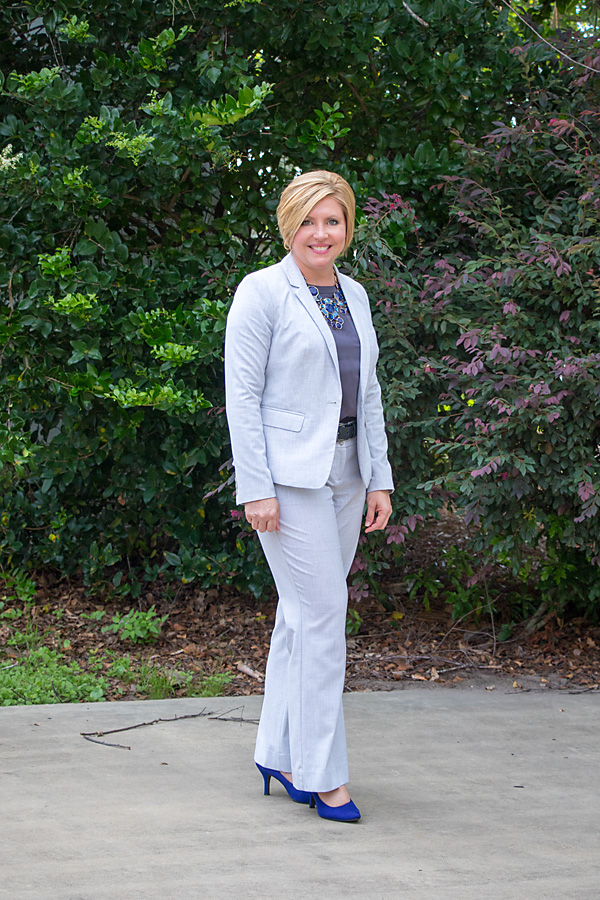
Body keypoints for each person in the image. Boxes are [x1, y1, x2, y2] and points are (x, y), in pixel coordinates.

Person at [224, 170, 393, 823]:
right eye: (309, 220)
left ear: (348, 228)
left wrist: (379, 476)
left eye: (334, 221)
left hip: (349, 472)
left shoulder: (354, 294)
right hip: (288, 480)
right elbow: (242, 396)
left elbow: (369, 392)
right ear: (288, 223)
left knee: (300, 616)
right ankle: (323, 775)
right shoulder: (261, 292)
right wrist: (255, 487)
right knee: (323, 613)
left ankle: (276, 751)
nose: (321, 233)